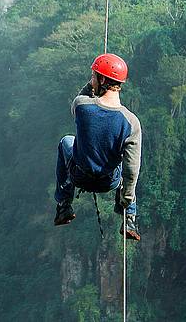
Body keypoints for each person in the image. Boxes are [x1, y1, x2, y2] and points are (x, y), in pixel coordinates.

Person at [53, 53, 142, 240]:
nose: (91, 79)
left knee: (66, 141)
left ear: (101, 79)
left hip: (80, 175)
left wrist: (93, 84)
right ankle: (130, 219)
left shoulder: (82, 106)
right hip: (108, 181)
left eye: (94, 75)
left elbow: (82, 97)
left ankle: (63, 205)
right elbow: (131, 171)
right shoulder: (131, 122)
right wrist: (126, 200)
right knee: (126, 161)